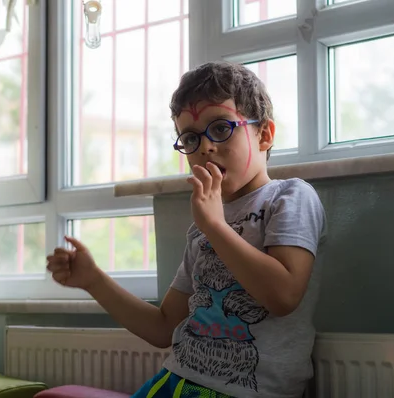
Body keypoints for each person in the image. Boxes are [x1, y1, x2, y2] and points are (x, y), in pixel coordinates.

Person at [46, 61, 327, 398]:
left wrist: (214, 225)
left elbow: (284, 296)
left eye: (221, 128)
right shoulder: (201, 229)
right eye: (190, 137)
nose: (205, 147)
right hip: (174, 381)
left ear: (264, 135)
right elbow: (164, 327)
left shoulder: (290, 196)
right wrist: (94, 281)